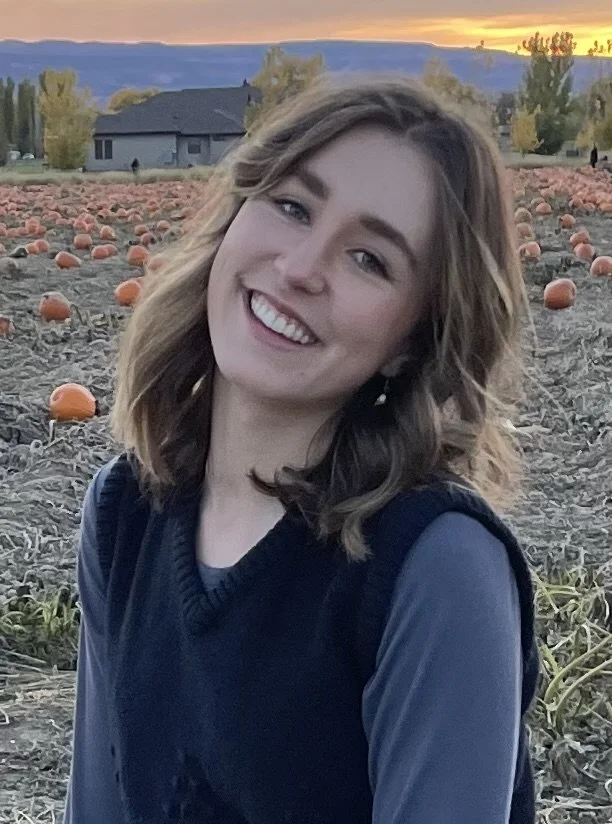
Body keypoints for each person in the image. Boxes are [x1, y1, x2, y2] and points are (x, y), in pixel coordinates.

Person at [62, 73, 540, 824]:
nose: (300, 268)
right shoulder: (124, 512)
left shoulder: (435, 571)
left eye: (370, 259)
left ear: (410, 341)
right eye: (292, 207)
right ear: (235, 217)